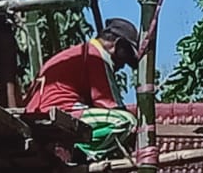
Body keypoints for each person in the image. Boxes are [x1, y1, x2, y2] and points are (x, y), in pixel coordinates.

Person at [25, 17, 141, 157]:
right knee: (126, 122)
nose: (123, 65)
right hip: (61, 111)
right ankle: (81, 149)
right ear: (118, 45)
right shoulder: (97, 56)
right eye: (126, 57)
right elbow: (108, 105)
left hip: (37, 111)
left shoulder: (78, 52)